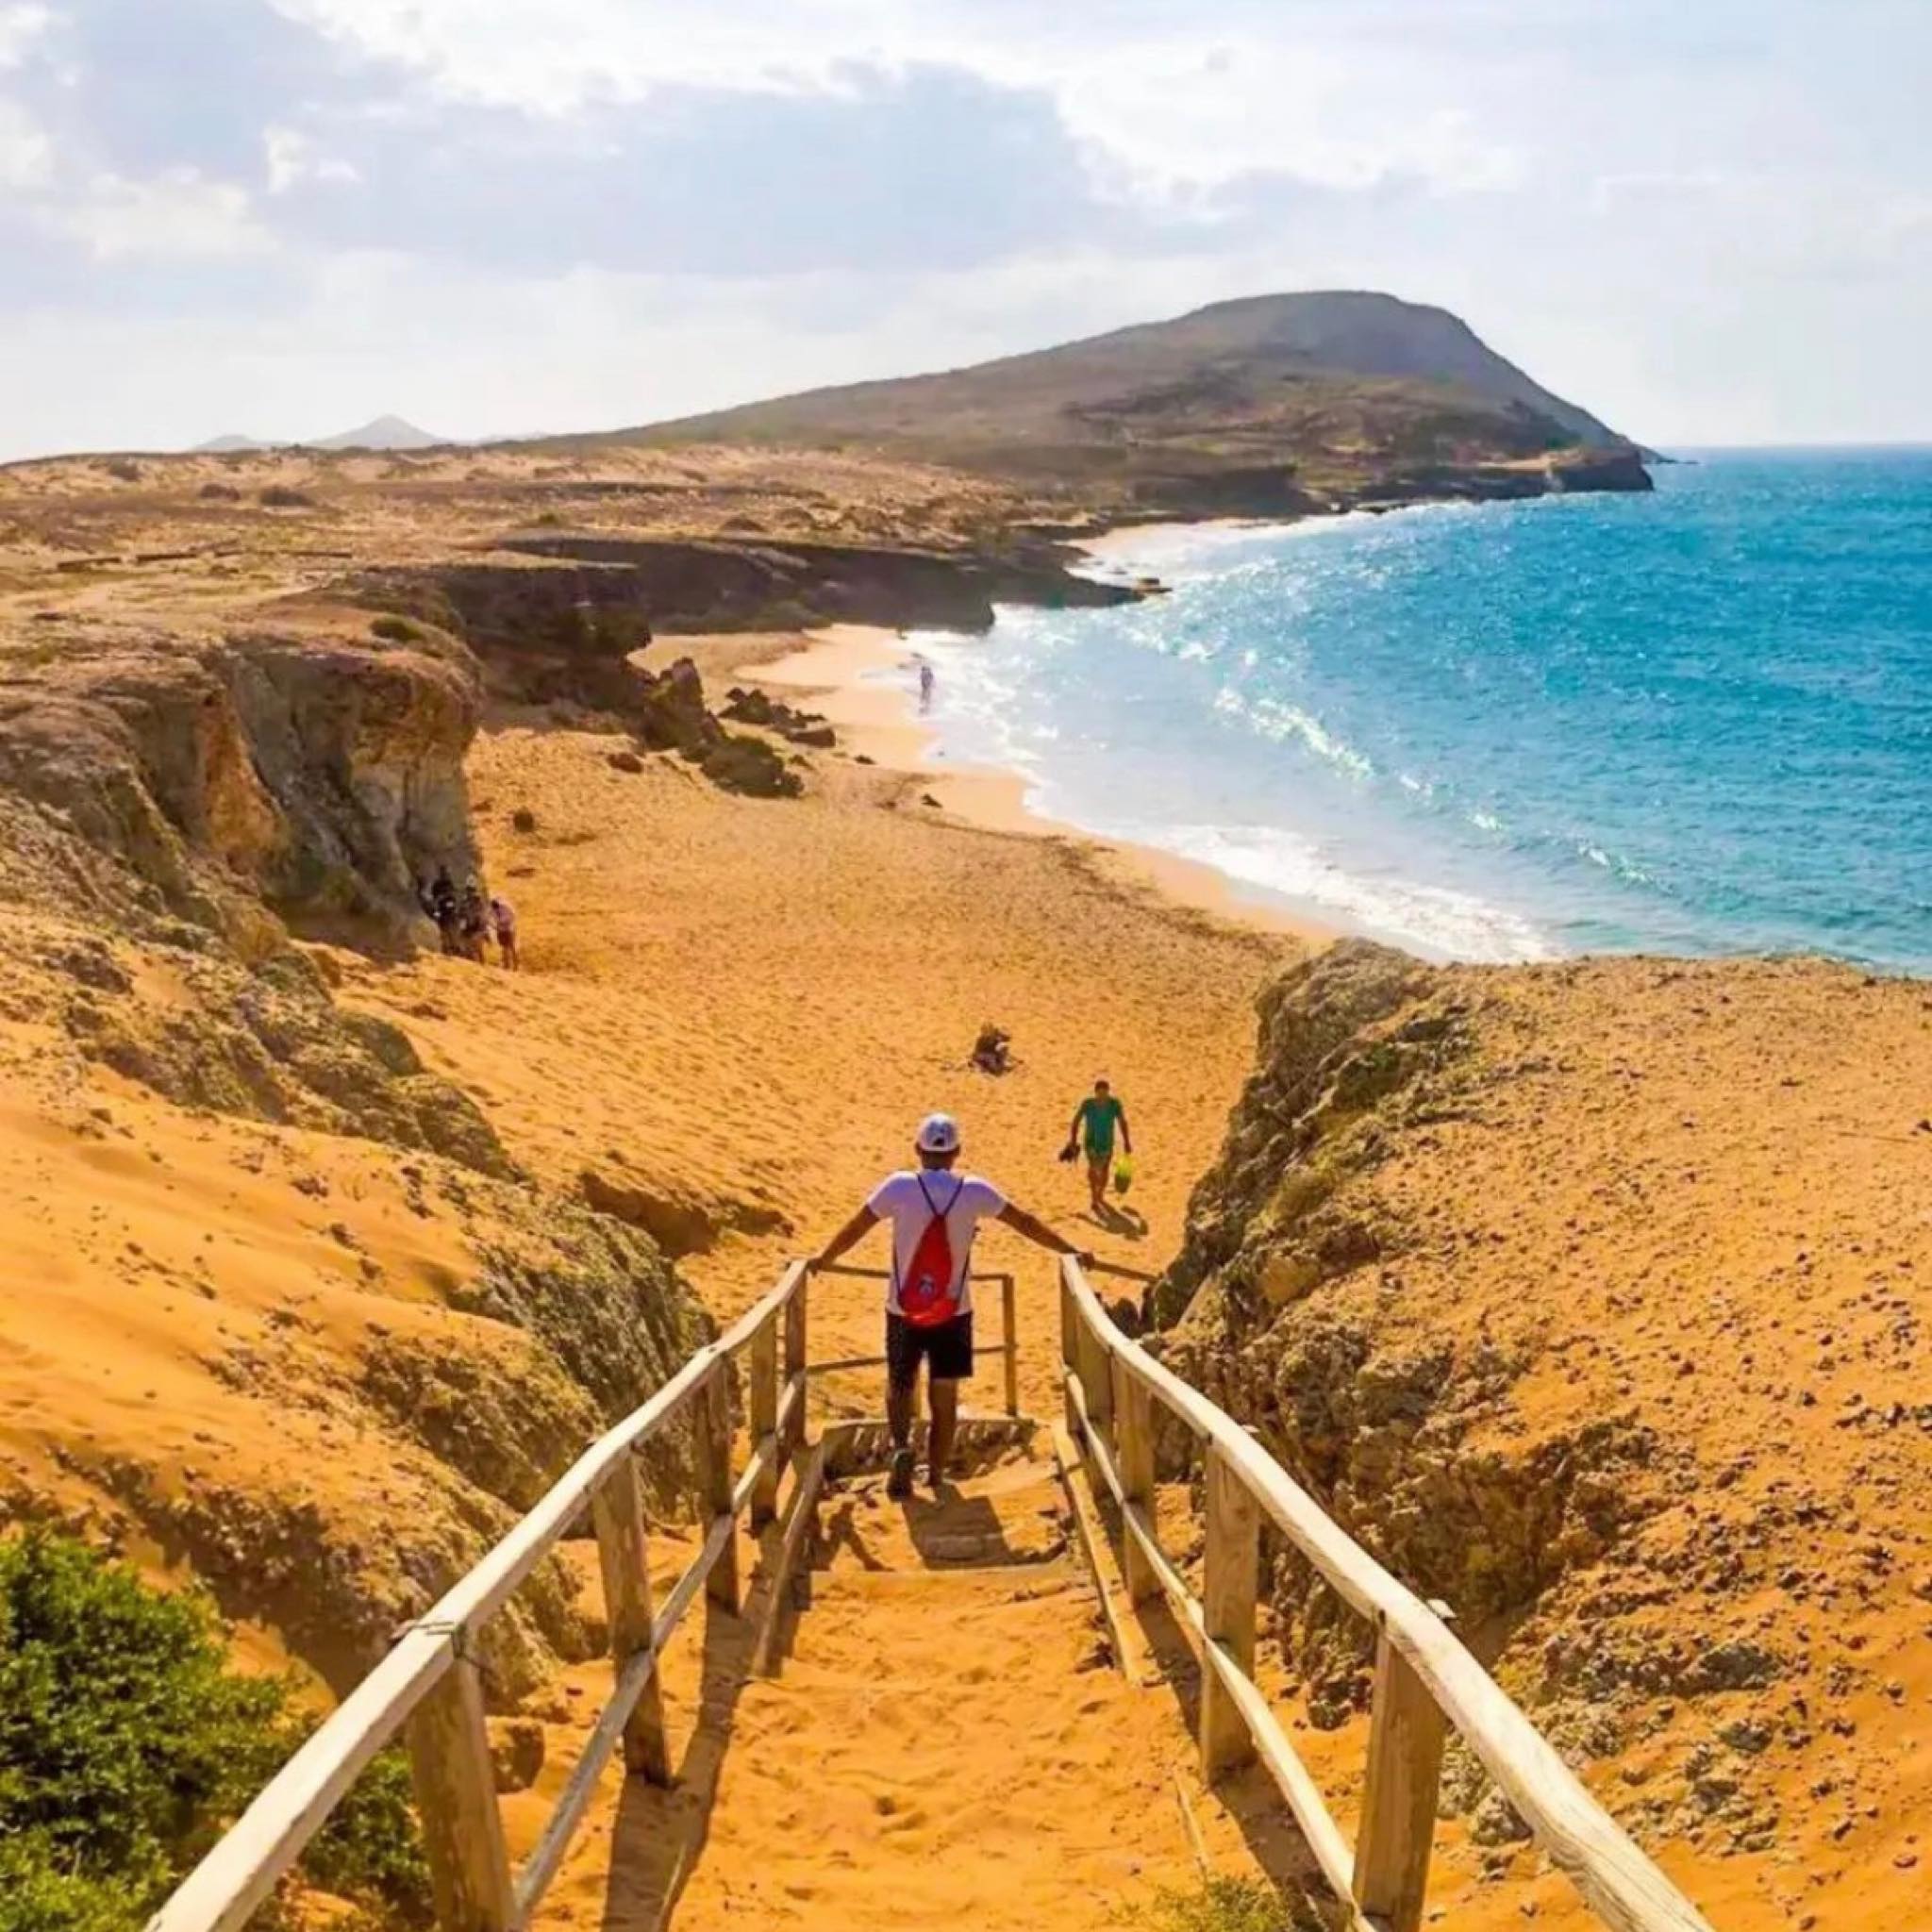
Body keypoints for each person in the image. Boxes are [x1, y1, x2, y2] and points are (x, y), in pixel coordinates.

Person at [814, 1112, 1092, 1499]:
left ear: (918, 1149)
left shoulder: (898, 1186)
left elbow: (857, 1226)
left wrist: (824, 1259)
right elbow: (1024, 1223)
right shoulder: (974, 1190)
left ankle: (900, 1446)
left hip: (902, 1308)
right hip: (954, 1310)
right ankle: (936, 1476)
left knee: (899, 1383)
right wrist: (1070, 1249)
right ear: (957, 1151)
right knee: (944, 1393)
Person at [1063, 1077, 1131, 1216]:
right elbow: (1076, 1122)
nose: (1102, 1098)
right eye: (1100, 1094)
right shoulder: (1088, 1105)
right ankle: (1094, 1196)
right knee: (1094, 1168)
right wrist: (1073, 1140)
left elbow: (1122, 1122)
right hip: (1091, 1142)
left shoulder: (1114, 1104)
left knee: (1105, 1168)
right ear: (1095, 1093)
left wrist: (1126, 1141)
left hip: (1107, 1143)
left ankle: (1100, 1194)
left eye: (1105, 1094)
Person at [490, 895, 519, 971]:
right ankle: (507, 965)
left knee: (512, 947)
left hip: (509, 928)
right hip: (501, 930)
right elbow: (493, 919)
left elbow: (513, 915)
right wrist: (496, 926)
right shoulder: (493, 909)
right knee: (504, 947)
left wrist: (503, 922)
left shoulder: (505, 907)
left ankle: (516, 965)